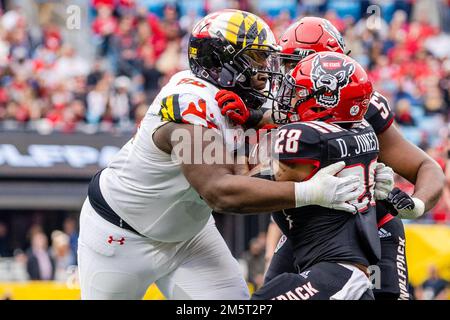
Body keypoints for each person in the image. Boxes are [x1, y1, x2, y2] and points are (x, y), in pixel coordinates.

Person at [77, 10, 363, 300]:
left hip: (190, 236)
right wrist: (307, 192)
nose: (265, 70)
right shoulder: (189, 104)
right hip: (121, 236)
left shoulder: (234, 97)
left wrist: (359, 166)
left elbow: (252, 168)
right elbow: (219, 192)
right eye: (256, 59)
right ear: (221, 62)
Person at [221, 17, 445, 300]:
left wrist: (416, 203)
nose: (287, 76)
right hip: (307, 230)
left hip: (367, 229)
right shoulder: (292, 105)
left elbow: (426, 166)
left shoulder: (362, 110)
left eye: (294, 65)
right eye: (287, 65)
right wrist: (253, 119)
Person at [252, 52, 380, 300]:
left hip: (337, 274)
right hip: (341, 274)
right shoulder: (360, 129)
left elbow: (246, 183)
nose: (290, 98)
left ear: (327, 98)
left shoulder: (308, 138)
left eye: (299, 92)